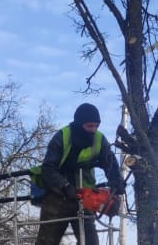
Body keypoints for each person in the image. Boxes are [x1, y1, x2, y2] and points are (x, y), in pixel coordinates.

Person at [36, 103, 125, 245]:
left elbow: (111, 164)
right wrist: (65, 186)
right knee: (46, 242)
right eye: (89, 126)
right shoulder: (62, 137)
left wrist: (117, 184)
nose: (93, 130)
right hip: (57, 199)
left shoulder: (99, 140)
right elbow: (48, 168)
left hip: (85, 199)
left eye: (96, 126)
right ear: (79, 124)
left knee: (91, 243)